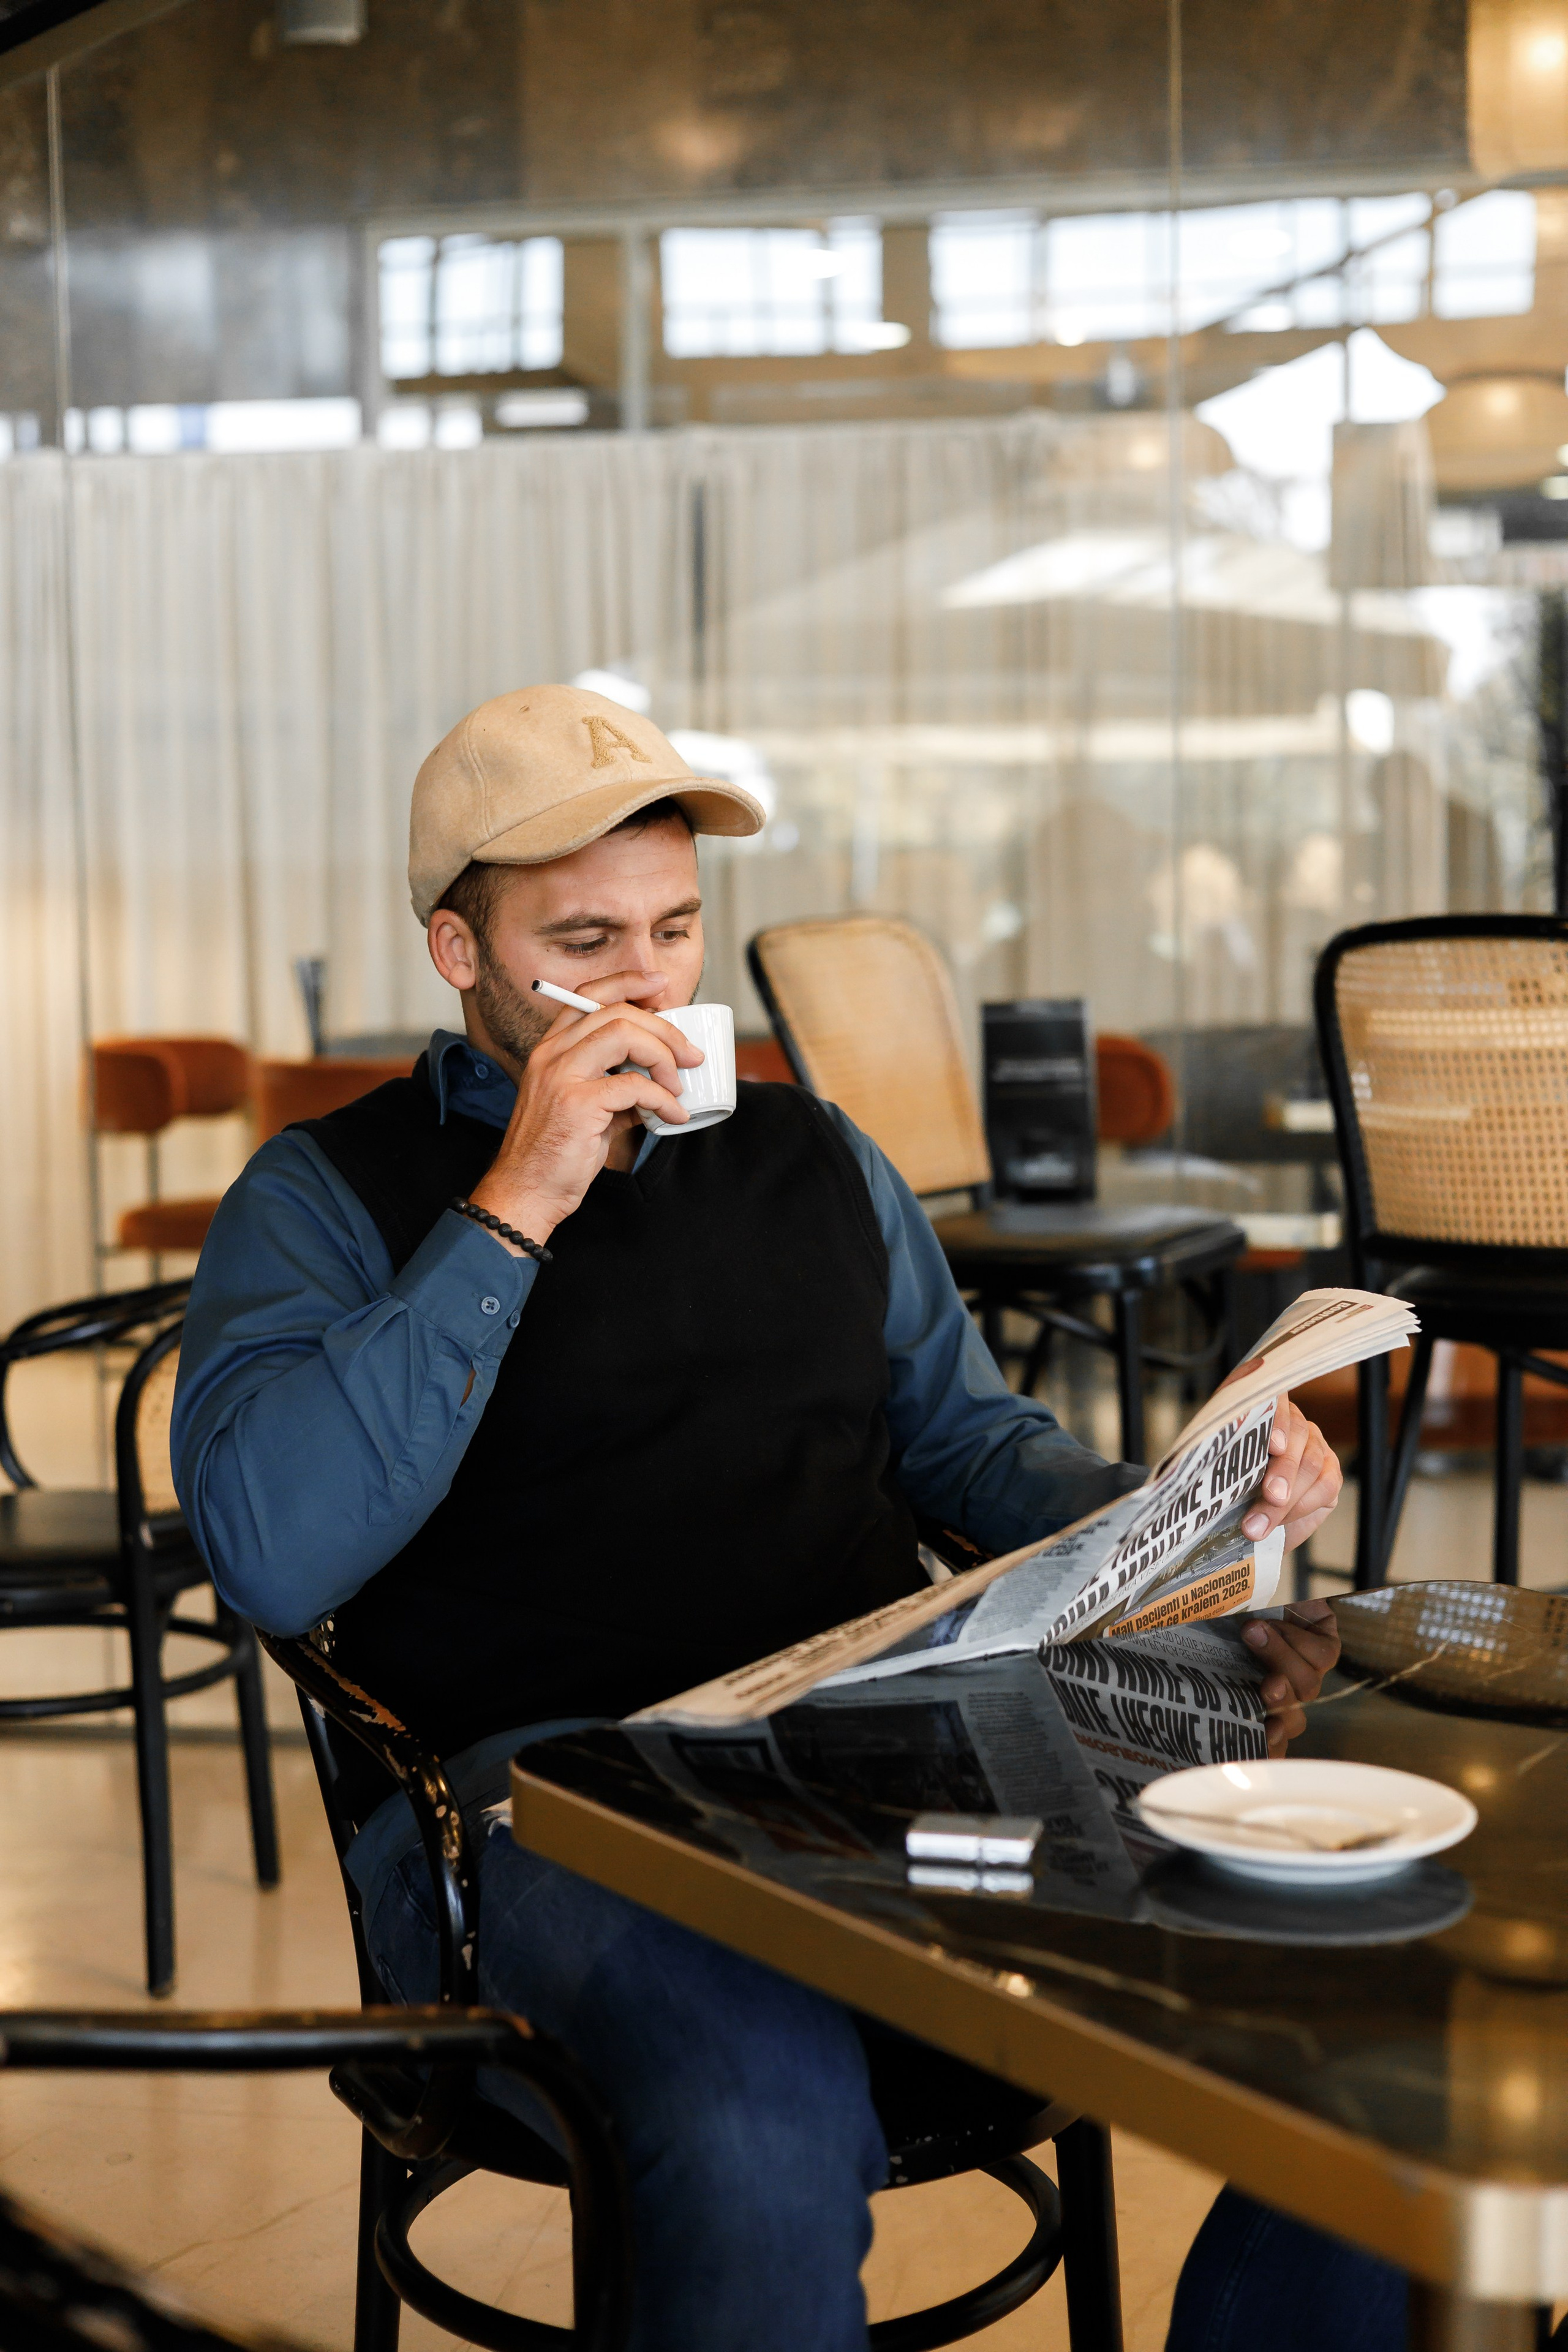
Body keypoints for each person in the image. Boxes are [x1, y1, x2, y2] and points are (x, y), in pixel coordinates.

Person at [173, 682, 1346, 2352]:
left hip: (881, 1770)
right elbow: (269, 1551)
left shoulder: (817, 1158)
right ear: (461, 954)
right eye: (586, 941)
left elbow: (974, 1453)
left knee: (1373, 1964)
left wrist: (1194, 1502)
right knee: (756, 2088)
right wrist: (519, 1201)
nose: (649, 986)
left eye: (675, 931)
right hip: (548, 1811)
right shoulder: (326, 1197)